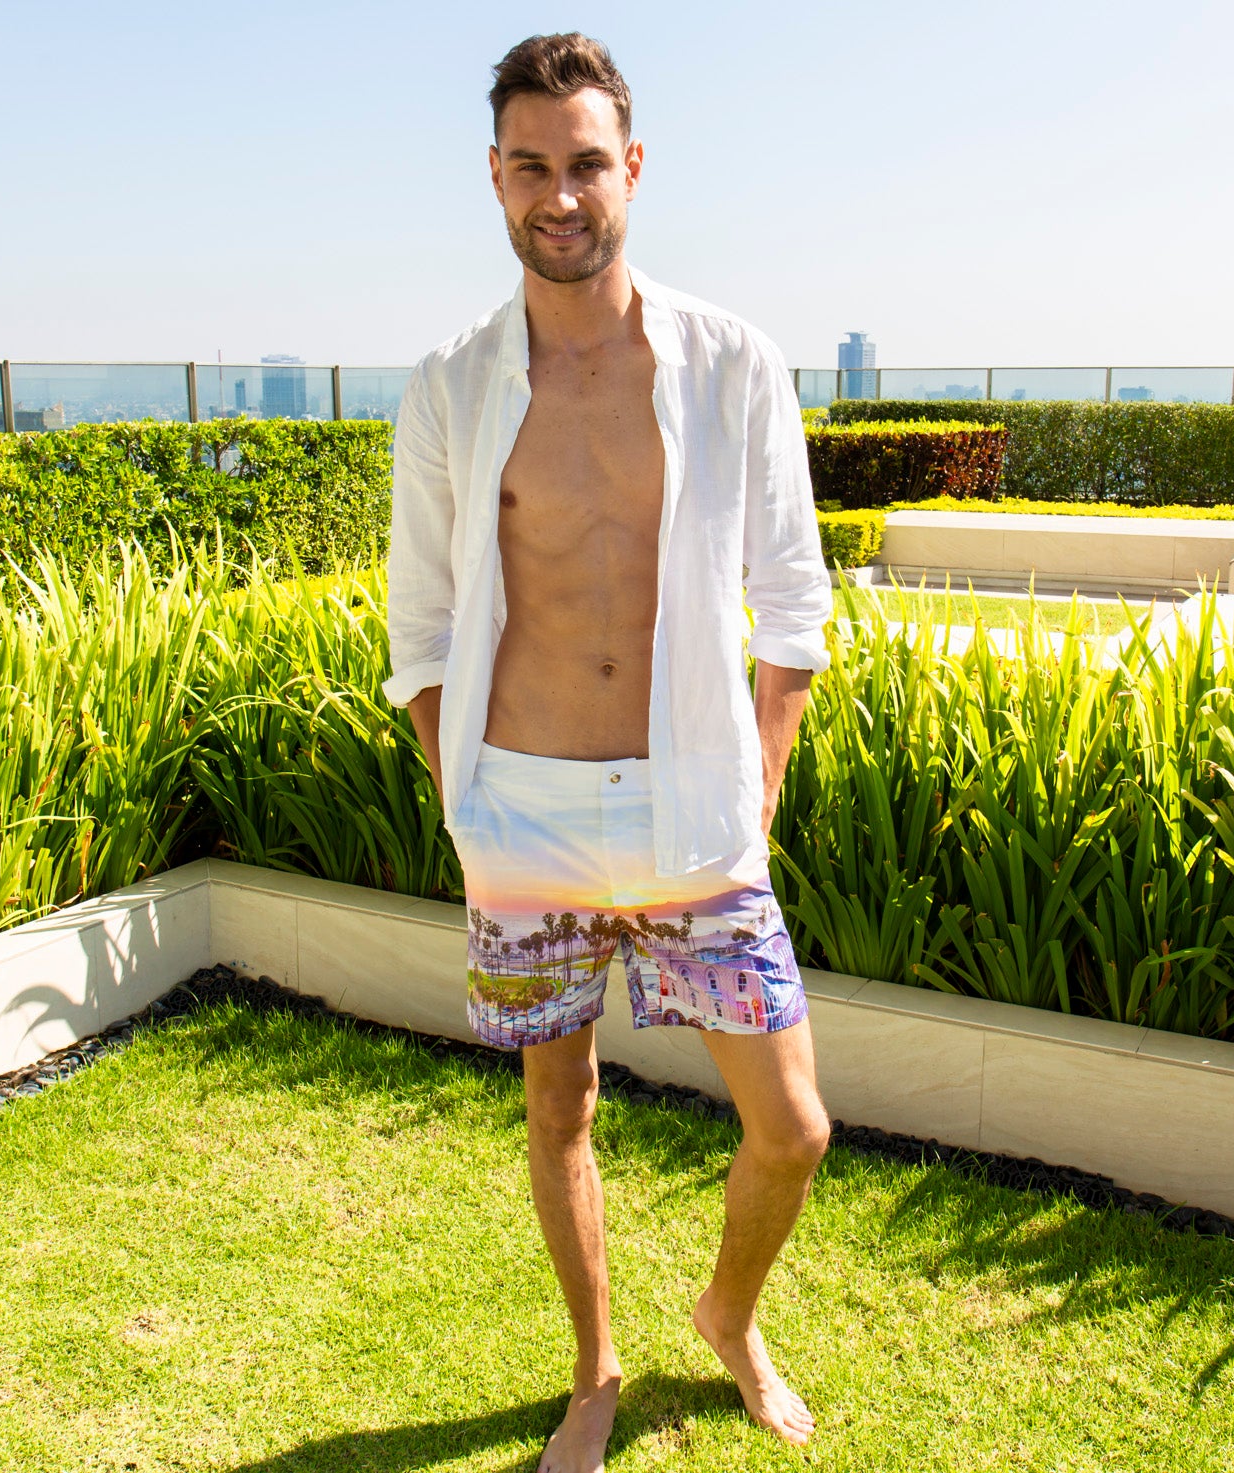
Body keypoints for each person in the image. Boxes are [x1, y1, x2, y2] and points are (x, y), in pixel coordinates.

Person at [383, 32, 833, 1473]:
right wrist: (469, 805)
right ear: (495, 178)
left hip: (695, 814)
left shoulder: (729, 362)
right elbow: (425, 625)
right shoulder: (451, 386)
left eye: (586, 164)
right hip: (522, 818)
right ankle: (593, 1370)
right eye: (532, 166)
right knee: (557, 1101)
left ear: (631, 168)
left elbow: (794, 600)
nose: (559, 194)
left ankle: (728, 1310)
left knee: (795, 1126)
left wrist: (756, 778)